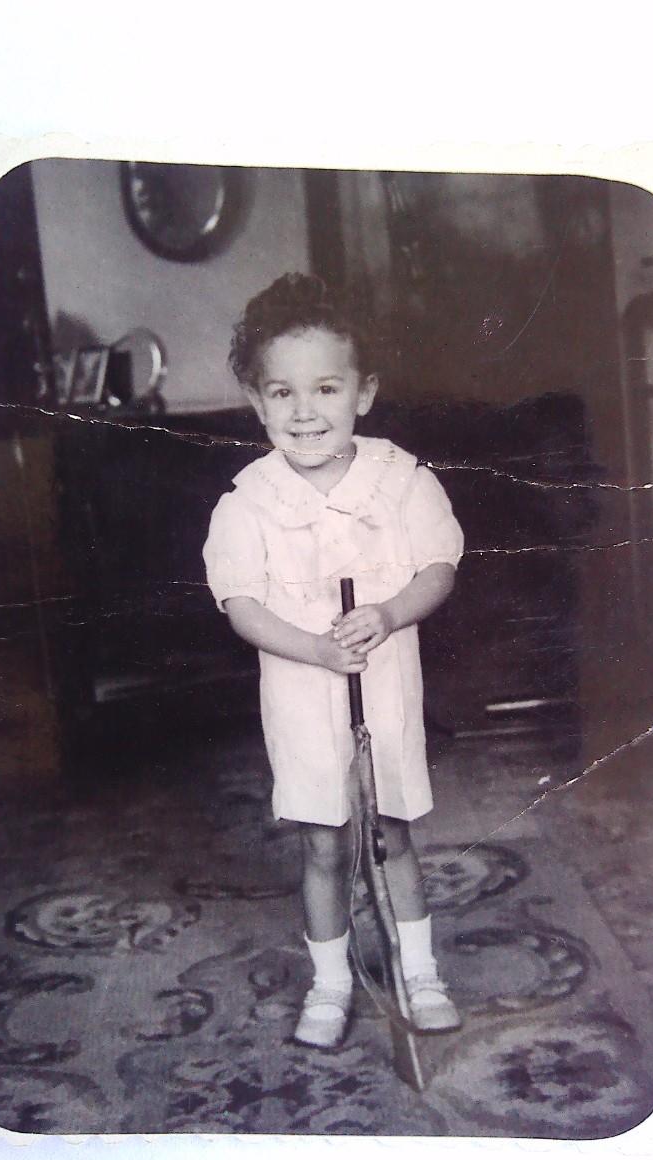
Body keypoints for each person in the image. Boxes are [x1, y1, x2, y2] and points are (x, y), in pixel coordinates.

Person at [203, 273, 464, 1049]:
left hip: (385, 691)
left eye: (325, 388)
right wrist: (316, 648)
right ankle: (331, 983)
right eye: (281, 393)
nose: (305, 411)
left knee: (393, 833)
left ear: (364, 392)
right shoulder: (246, 503)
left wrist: (387, 613)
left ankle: (421, 974)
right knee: (323, 843)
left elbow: (438, 569)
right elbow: (242, 606)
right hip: (300, 697)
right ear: (257, 403)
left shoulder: (402, 481)